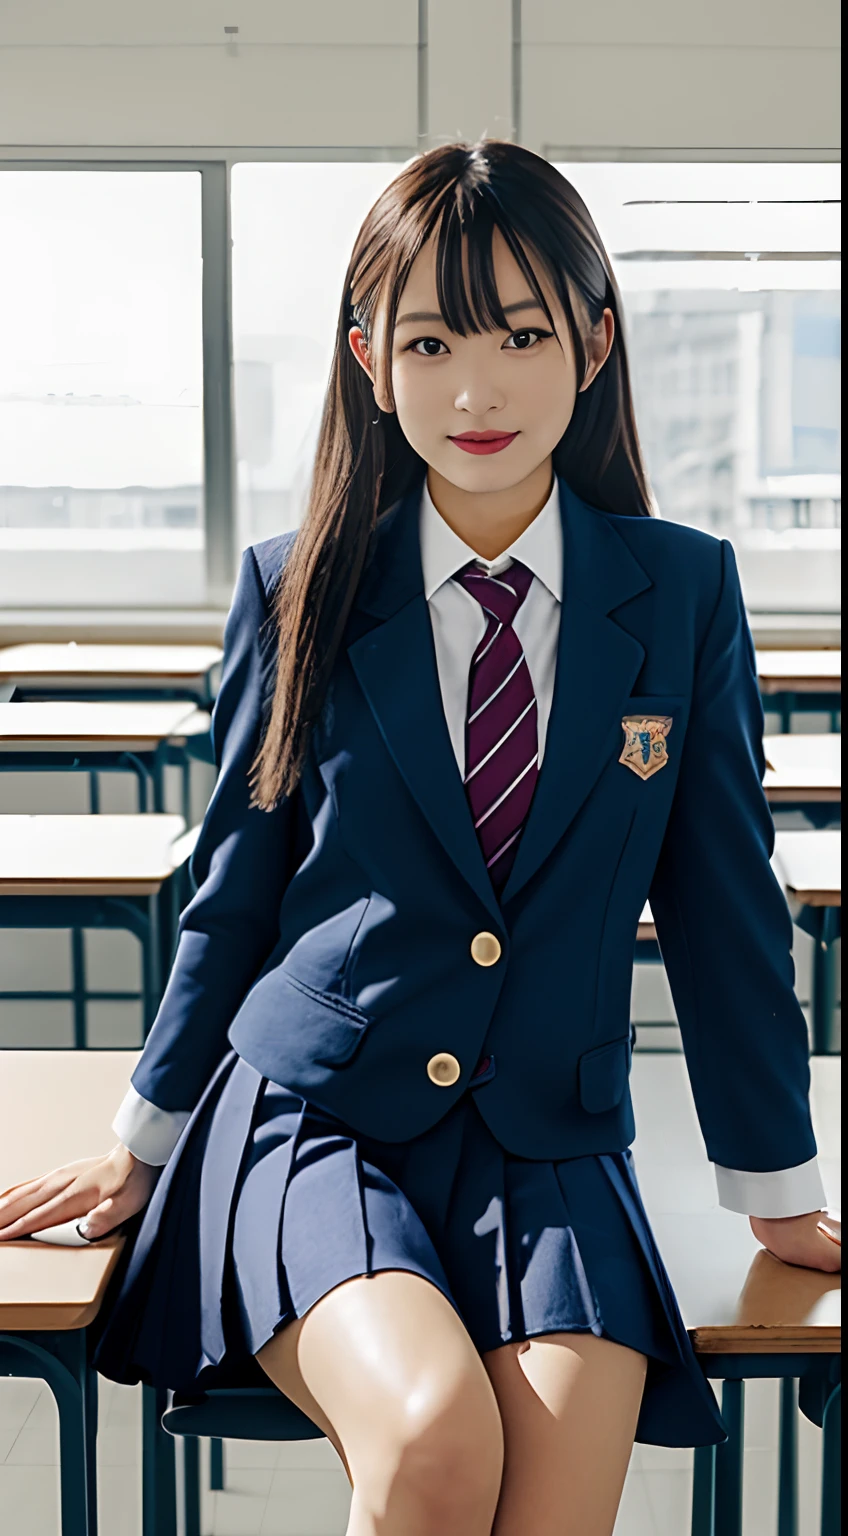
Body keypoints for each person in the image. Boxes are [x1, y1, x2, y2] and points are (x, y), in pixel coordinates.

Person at [0, 140, 840, 1536]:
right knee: (435, 1443)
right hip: (316, 1120)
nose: (476, 387)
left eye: (521, 333)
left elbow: (725, 908)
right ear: (369, 358)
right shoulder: (301, 584)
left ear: (594, 341)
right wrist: (145, 1139)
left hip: (551, 1144)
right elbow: (234, 889)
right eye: (432, 337)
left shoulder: (684, 593)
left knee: (560, 1492)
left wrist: (778, 1190)